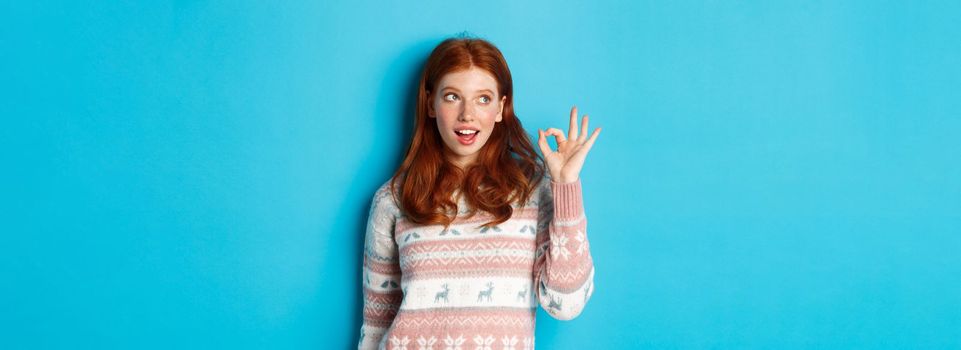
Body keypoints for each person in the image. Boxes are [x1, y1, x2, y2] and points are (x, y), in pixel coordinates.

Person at [358, 36, 601, 350]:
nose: (467, 114)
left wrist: (566, 186)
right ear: (431, 103)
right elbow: (376, 324)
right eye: (452, 97)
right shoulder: (393, 200)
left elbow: (564, 304)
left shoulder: (533, 192)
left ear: (501, 108)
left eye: (483, 99)